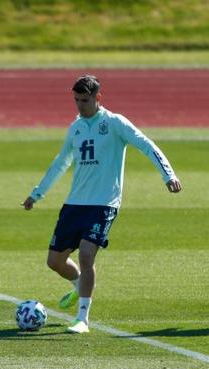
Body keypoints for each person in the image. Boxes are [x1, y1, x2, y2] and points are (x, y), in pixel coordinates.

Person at [23, 75, 182, 333]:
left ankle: (82, 319)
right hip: (75, 204)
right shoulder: (75, 128)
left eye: (84, 100)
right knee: (54, 261)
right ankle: (79, 285)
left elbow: (146, 145)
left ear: (98, 98)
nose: (79, 106)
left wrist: (169, 175)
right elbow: (61, 162)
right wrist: (37, 194)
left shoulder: (114, 123)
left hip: (104, 204)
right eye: (75, 100)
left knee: (86, 255)